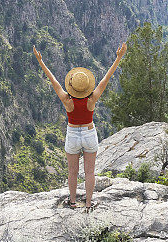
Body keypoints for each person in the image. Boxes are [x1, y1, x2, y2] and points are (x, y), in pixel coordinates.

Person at [33, 43, 127, 211]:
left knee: (72, 172)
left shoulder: (66, 100)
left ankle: (73, 202)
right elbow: (106, 78)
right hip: (89, 133)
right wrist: (118, 57)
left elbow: (53, 80)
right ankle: (89, 204)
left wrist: (41, 61)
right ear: (87, 87)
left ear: (72, 86)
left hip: (73, 135)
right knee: (90, 172)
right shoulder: (92, 99)